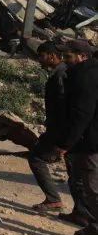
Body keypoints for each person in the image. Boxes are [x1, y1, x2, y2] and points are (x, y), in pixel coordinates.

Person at [51, 40, 98, 235]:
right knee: (85, 186)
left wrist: (65, 144)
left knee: (94, 189)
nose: (66, 61)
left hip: (90, 142)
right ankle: (93, 225)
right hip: (85, 140)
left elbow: (81, 114)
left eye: (69, 57)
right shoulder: (85, 72)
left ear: (82, 56)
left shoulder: (86, 76)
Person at [27, 42, 75, 213]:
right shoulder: (59, 72)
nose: (39, 59)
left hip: (59, 131)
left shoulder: (60, 74)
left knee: (36, 157)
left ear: (51, 56)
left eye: (41, 56)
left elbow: (63, 107)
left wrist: (61, 139)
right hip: (61, 131)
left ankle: (56, 200)